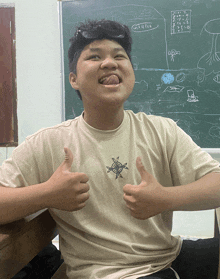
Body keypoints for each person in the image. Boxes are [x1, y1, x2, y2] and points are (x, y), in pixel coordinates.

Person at [0, 19, 220, 279]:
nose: (109, 62)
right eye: (94, 56)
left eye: (119, 56)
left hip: (166, 256)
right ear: (74, 79)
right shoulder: (48, 142)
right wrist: (46, 194)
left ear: (131, 73)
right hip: (106, 273)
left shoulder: (161, 130)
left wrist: (165, 199)